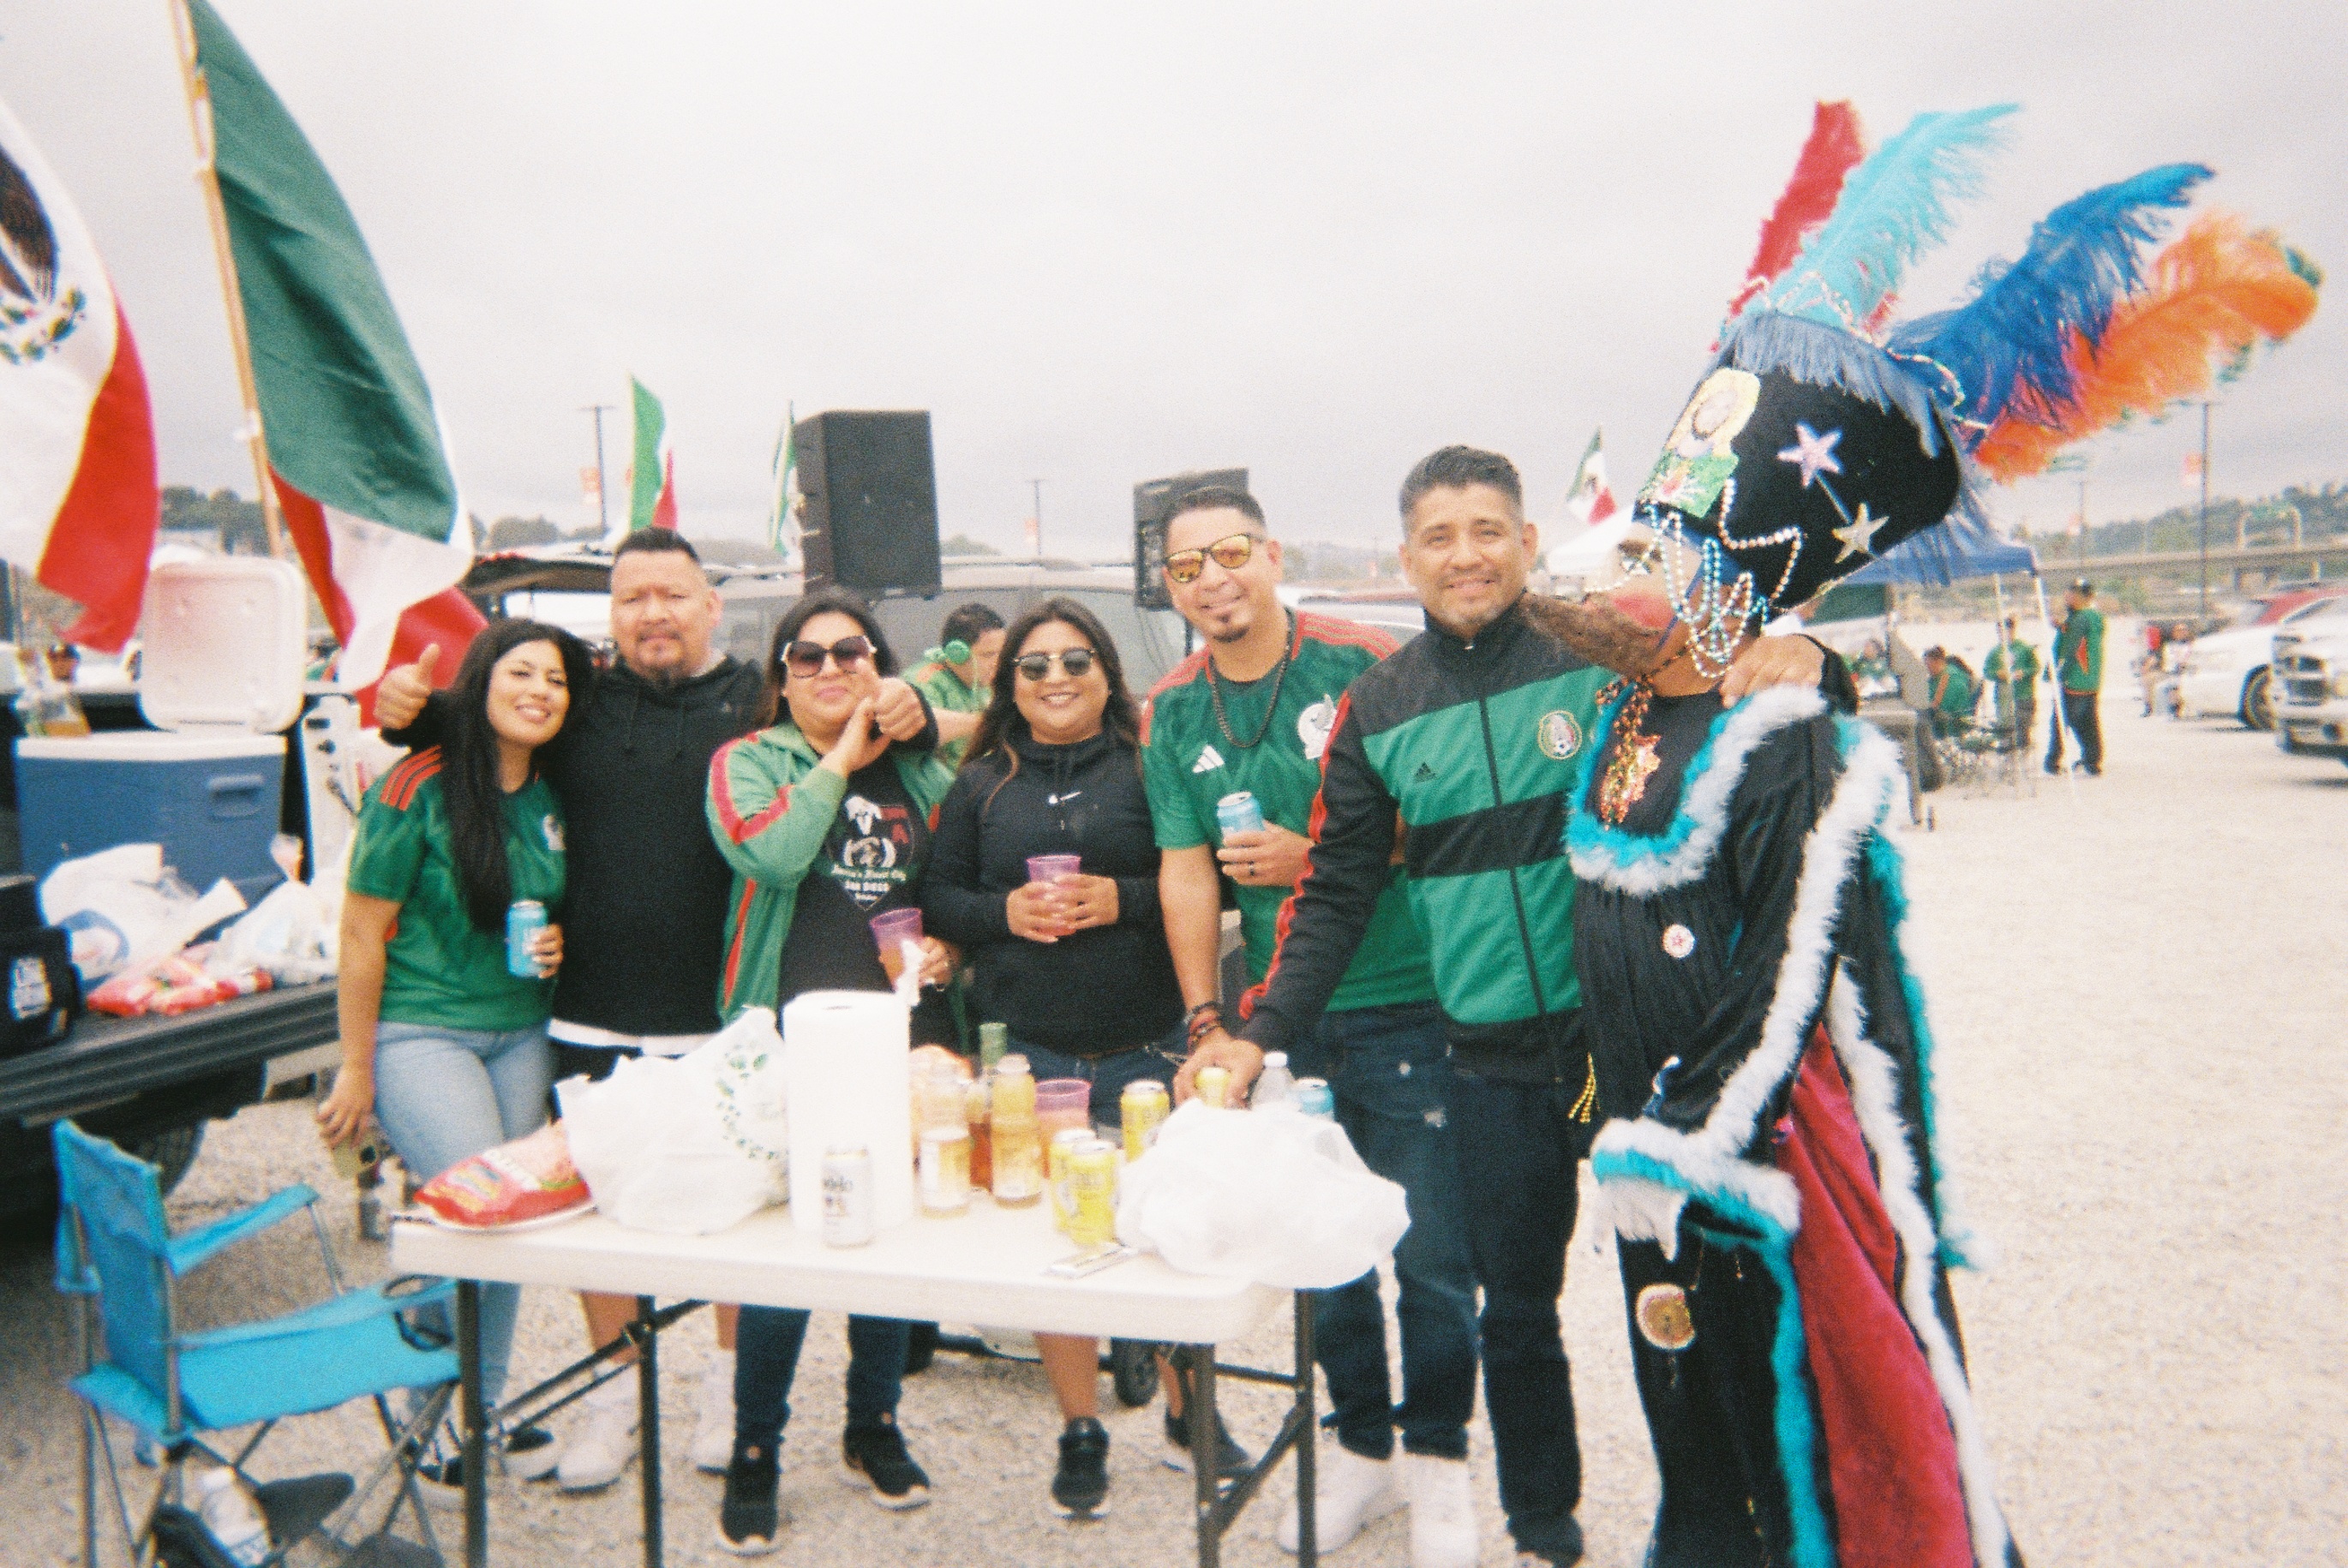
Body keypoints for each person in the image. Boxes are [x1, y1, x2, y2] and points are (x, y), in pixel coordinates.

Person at [1179, 445, 1841, 1567]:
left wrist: (1814, 652)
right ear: (1407, 559)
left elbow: (1738, 676)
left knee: (1690, 1283)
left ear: (1528, 542)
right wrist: (1257, 1031)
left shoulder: (1600, 656)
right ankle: (1545, 1524)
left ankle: (1737, 1519)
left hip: (1619, 1057)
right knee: (1518, 1307)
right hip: (1490, 1068)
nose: (1466, 555)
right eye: (1438, 537)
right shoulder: (1379, 705)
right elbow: (1334, 893)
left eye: (1487, 530)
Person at [1537, 337, 2021, 1568]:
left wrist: (1684, 1135)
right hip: (1644, 1130)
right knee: (1681, 1388)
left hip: (1745, 1146)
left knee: (1786, 1410)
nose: (1606, 583)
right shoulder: (1619, 708)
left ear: (1715, 591)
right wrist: (1605, 1108)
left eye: (1642, 563)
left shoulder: (1783, 729)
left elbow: (1788, 971)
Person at [373, 530, 937, 1491]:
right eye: (632, 598)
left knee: (731, 1216)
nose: (652, 614)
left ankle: (723, 1394)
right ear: (613, 614)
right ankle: (612, 1397)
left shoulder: (756, 703)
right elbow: (485, 718)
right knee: (601, 1213)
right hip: (586, 1009)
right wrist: (406, 711)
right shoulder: (582, 699)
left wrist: (921, 706)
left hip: (721, 1015)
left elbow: (892, 710)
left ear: (711, 606)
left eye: (672, 595)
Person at [1140, 487, 1480, 1567]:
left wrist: (1323, 854)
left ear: (1272, 554)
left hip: (1409, 993)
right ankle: (1362, 1446)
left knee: (1432, 1250)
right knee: (1312, 1244)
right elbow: (1184, 869)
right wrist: (1207, 1016)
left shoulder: (1366, 662)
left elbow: (1452, 820)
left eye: (1230, 552)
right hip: (1280, 1019)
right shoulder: (1172, 708)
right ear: (1169, 588)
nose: (1212, 580)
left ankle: (1440, 1463)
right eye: (1186, 567)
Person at [920, 597, 1228, 1520]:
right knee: (1057, 1248)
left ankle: (1189, 1414)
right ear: (1008, 684)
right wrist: (1005, 913)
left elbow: (1206, 876)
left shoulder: (1149, 764)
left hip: (1149, 1049)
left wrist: (1122, 899)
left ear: (1106, 674)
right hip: (1034, 1057)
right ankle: (1080, 1426)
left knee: (1170, 1239)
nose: (1055, 678)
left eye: (1075, 661)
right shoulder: (982, 782)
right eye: (1034, 666)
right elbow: (938, 897)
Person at [704, 589, 961, 1554]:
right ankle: (755, 1447)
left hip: (903, 1033)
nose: (829, 669)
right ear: (780, 680)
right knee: (784, 1251)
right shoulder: (748, 760)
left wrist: (952, 951)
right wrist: (843, 756)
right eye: (804, 657)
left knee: (884, 1236)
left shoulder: (923, 769)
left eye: (850, 653)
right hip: (785, 1040)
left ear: (879, 666)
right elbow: (770, 855)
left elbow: (956, 887)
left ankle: (873, 1423)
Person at [318, 618, 593, 1491]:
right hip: (422, 1031)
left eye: (557, 680)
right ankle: (440, 1418)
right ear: (479, 683)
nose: (540, 691)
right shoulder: (417, 783)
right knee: (484, 1215)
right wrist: (355, 1066)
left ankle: (472, 1413)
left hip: (522, 1033)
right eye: (522, 672)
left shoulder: (554, 794)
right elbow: (360, 933)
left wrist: (556, 943)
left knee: (504, 1230)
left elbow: (554, 909)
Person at [904, 601, 1006, 767]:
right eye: (988, 655)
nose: (998, 663)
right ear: (957, 654)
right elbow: (921, 726)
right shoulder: (925, 682)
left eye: (1001, 654)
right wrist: (986, 722)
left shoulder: (985, 683)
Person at [2046, 578, 2105, 775]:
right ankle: (2092, 760)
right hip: (2091, 680)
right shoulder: (2094, 617)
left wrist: (2057, 673)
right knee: (2088, 722)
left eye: (2072, 593)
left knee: (2062, 721)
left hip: (2076, 679)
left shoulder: (2080, 619)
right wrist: (2063, 626)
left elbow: (2071, 648)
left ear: (2083, 597)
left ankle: (2053, 761)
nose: (2067, 596)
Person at [1981, 617, 2039, 739]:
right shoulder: (1995, 652)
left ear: (2013, 630)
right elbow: (1986, 672)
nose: (2002, 635)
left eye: (2006, 631)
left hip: (2024, 695)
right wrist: (1997, 674)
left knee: (2023, 732)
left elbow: (2036, 668)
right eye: (1999, 632)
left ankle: (2025, 749)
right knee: (2005, 732)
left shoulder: (2025, 648)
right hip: (2003, 698)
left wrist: (2024, 672)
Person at [1921, 646, 1976, 739]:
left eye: (1928, 665)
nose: (1926, 669)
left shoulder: (1950, 679)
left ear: (1938, 662)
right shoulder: (1935, 678)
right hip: (1945, 721)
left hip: (1954, 725)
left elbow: (1941, 707)